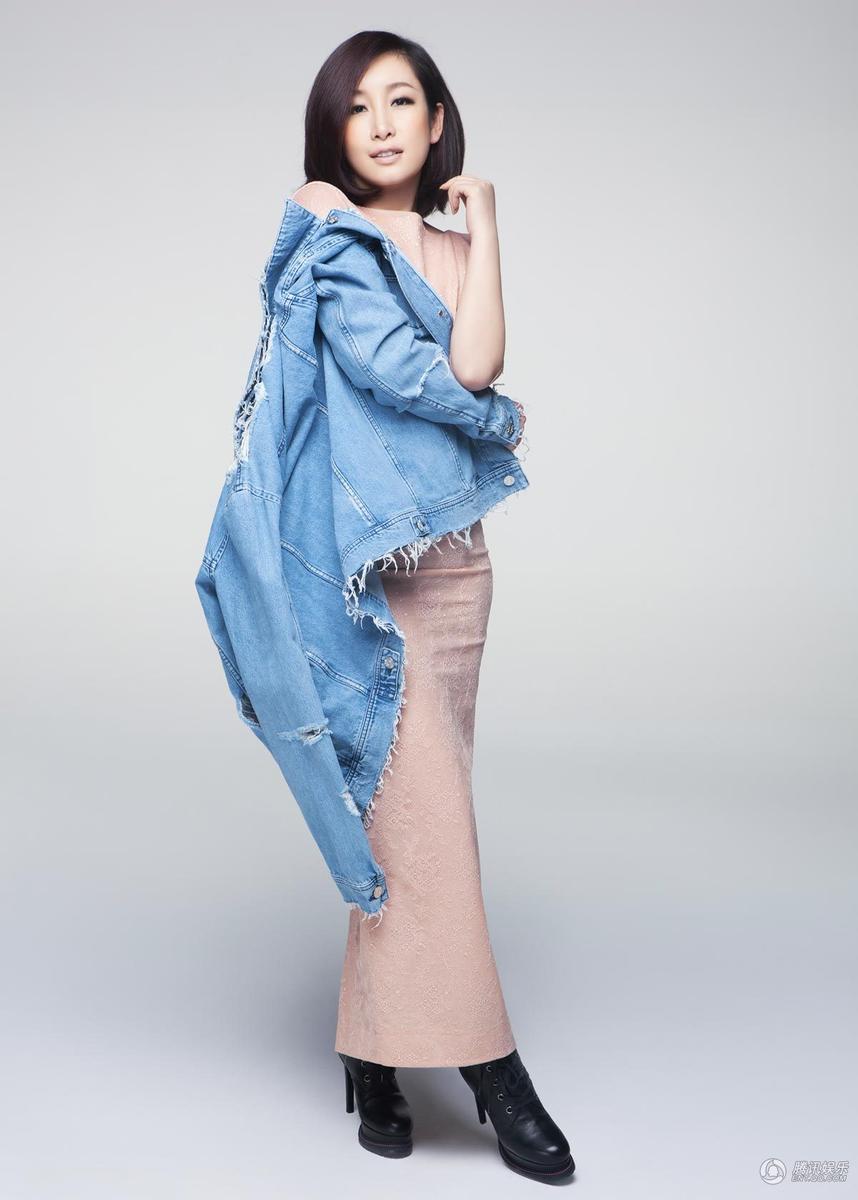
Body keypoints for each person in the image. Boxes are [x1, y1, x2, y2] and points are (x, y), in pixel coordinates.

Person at [290, 31, 574, 1183]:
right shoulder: (327, 237)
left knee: (407, 821)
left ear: (438, 120)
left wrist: (487, 229)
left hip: (458, 569)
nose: (381, 123)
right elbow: (420, 378)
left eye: (402, 100)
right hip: (371, 577)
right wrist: (501, 426)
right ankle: (495, 1071)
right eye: (358, 107)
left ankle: (370, 1052)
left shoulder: (454, 244)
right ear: (335, 131)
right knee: (434, 820)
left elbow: (482, 353)